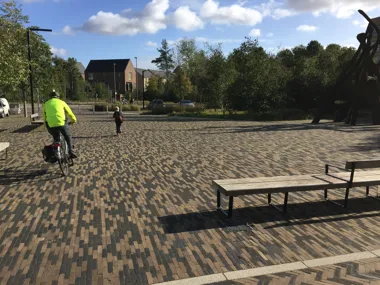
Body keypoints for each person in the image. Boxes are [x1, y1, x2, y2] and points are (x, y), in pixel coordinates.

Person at [43, 90, 78, 158]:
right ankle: (71, 151)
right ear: (58, 97)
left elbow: (44, 117)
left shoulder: (46, 104)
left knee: (56, 138)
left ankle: (56, 151)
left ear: (50, 97)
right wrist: (74, 120)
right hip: (61, 123)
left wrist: (46, 125)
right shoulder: (62, 102)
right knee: (67, 136)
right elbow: (69, 112)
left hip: (51, 125)